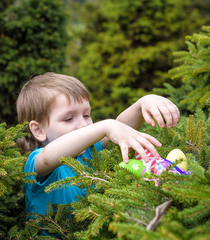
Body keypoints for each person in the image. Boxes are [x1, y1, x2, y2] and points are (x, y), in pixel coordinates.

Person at [16, 72, 179, 218]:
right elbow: (48, 157)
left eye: (86, 115)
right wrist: (105, 126)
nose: (84, 125)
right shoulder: (36, 162)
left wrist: (142, 104)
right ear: (38, 130)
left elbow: (120, 125)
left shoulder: (88, 152)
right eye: (68, 119)